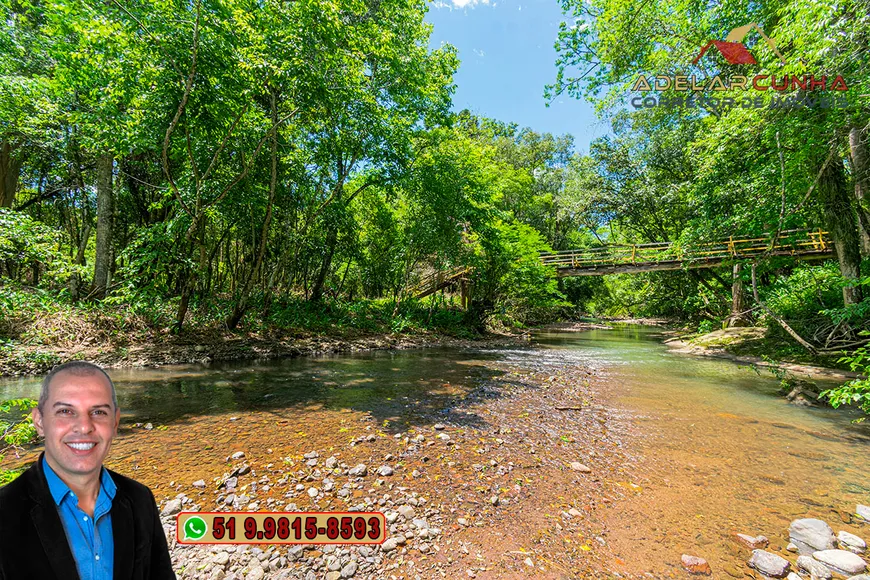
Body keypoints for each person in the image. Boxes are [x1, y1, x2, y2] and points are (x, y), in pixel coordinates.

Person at [0, 361, 176, 580]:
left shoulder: (140, 499)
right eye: (65, 411)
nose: (84, 427)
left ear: (115, 422)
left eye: (99, 412)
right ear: (40, 422)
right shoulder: (5, 511)